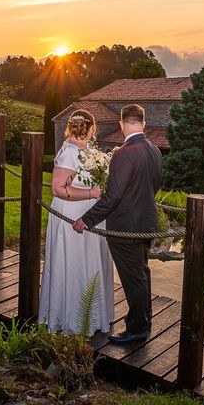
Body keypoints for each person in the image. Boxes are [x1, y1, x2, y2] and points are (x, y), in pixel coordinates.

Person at [73, 104, 162, 344]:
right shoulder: (154, 150)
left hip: (126, 228)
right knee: (141, 274)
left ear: (121, 125)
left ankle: (136, 330)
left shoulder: (124, 153)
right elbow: (155, 186)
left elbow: (113, 195)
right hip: (146, 223)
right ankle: (144, 321)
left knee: (134, 278)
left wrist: (86, 220)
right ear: (143, 124)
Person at [38, 109, 115, 336]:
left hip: (92, 216)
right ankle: (71, 318)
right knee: (73, 262)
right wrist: (93, 193)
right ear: (91, 128)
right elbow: (57, 188)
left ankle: (92, 315)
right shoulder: (70, 152)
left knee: (91, 262)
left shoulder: (89, 151)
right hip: (71, 215)